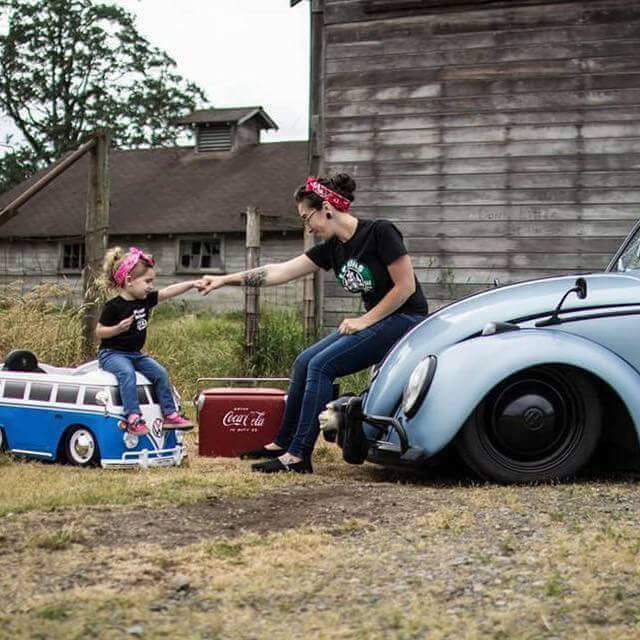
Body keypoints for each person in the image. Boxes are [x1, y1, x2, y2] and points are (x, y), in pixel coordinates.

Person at [200, 174, 428, 473]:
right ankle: (282, 443)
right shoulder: (334, 248)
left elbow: (406, 287)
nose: (308, 227)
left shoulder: (380, 232)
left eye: (307, 217)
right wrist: (224, 280)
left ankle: (298, 456)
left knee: (322, 366)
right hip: (377, 321)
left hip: (406, 319)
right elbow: (279, 271)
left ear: (327, 208)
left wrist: (364, 320)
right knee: (304, 361)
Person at [96, 246, 202, 435]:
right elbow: (99, 332)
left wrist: (192, 284)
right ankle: (133, 417)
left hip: (135, 354)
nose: (151, 286)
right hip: (112, 354)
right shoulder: (113, 307)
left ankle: (170, 415)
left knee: (160, 372)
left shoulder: (144, 300)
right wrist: (117, 329)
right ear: (129, 280)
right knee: (127, 373)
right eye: (147, 281)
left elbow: (169, 291)